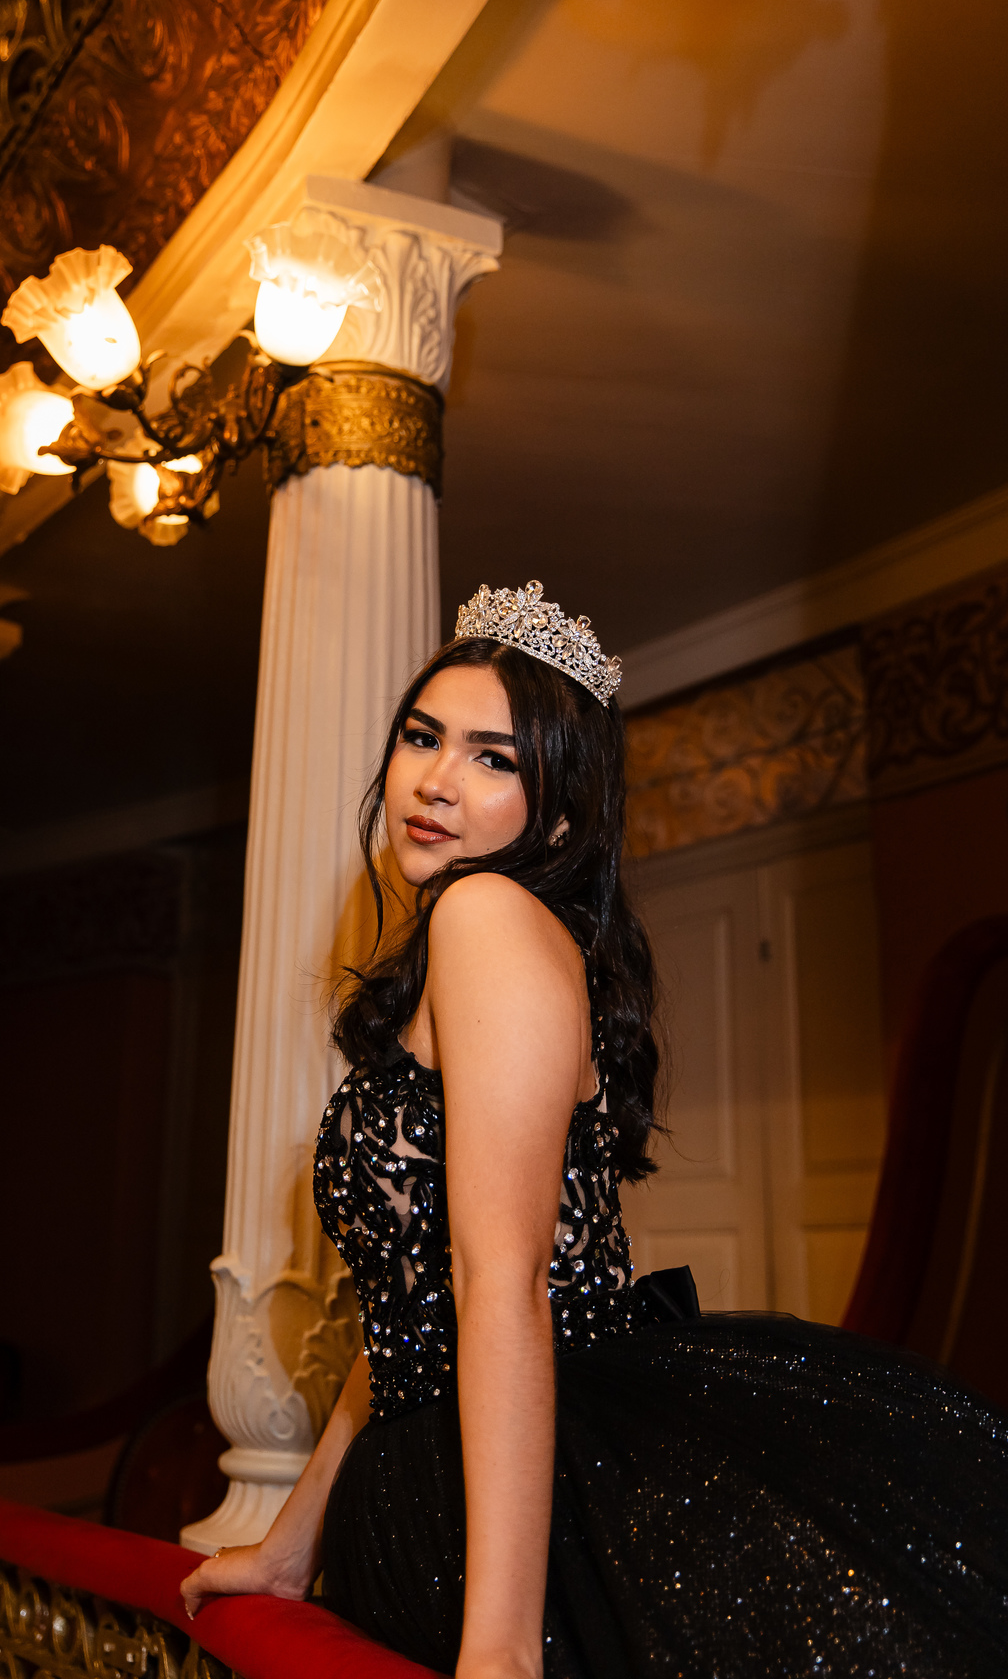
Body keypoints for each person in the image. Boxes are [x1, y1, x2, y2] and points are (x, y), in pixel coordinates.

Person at [182, 582, 1008, 1678]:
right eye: (423, 737)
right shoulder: (478, 938)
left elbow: (504, 1286)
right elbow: (412, 1313)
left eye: (493, 758)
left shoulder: (484, 915)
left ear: (561, 816)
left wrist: (501, 1651)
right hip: (458, 1467)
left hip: (519, 1485)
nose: (435, 780)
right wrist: (295, 1545)